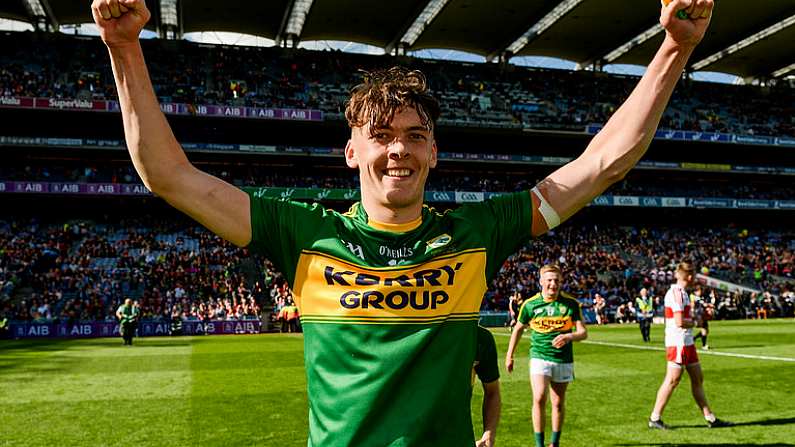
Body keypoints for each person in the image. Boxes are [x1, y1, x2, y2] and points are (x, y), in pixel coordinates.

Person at [91, 0, 714, 443]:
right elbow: (167, 175)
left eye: (416, 136)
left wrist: (674, 49)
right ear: (352, 150)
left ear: (434, 151)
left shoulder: (478, 233)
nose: (399, 150)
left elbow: (602, 163)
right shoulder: (302, 233)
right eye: (382, 135)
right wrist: (123, 49)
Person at [505, 265, 587, 447]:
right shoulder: (530, 304)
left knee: (558, 403)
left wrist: (568, 336)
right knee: (539, 397)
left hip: (563, 359)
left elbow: (583, 333)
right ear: (541, 281)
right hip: (539, 356)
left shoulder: (571, 304)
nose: (553, 284)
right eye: (549, 280)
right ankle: (539, 444)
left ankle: (554, 443)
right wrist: (510, 355)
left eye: (557, 280)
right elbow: (518, 329)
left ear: (561, 282)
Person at [648, 262, 732, 430]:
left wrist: (696, 319)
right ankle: (655, 418)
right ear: (689, 276)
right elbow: (679, 322)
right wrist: (695, 321)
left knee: (697, 378)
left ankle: (710, 418)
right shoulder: (677, 293)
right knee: (672, 380)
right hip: (678, 342)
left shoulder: (682, 293)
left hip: (686, 342)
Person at [473, 326, 501, 447]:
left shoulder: (480, 338)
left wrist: (489, 433)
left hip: (458, 437)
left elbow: (492, 392)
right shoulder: (410, 334)